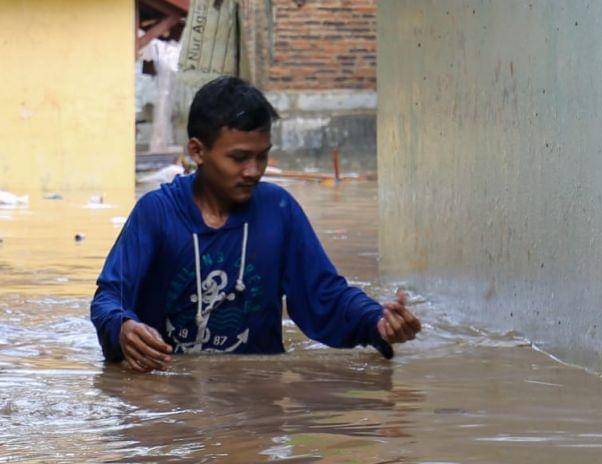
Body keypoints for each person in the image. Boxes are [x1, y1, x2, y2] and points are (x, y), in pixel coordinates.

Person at [90, 76, 421, 373]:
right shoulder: (157, 213)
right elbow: (109, 298)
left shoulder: (278, 210)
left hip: (257, 387)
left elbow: (325, 295)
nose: (254, 170)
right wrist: (123, 328)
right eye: (239, 158)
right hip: (170, 392)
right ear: (197, 151)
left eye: (262, 156)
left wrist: (377, 320)